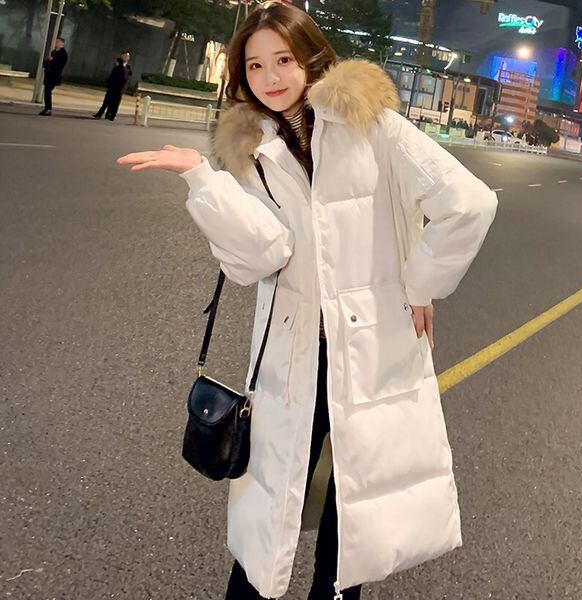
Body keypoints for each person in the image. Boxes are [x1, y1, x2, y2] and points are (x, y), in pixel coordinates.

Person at [117, 3, 497, 599]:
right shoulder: (253, 150)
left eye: (283, 60)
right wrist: (203, 180)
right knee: (269, 508)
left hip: (368, 349)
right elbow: (260, 257)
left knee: (354, 509)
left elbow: (469, 203)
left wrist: (419, 285)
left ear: (310, 58)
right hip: (291, 353)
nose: (270, 77)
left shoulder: (374, 126)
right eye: (255, 65)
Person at [93, 51, 132, 121]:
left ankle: (111, 115)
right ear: (122, 56)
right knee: (107, 100)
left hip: (120, 88)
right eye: (125, 56)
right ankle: (100, 114)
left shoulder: (127, 67)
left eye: (127, 56)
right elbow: (114, 75)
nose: (126, 57)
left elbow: (126, 77)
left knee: (116, 102)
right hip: (113, 86)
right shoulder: (118, 64)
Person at [39, 37, 68, 116]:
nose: (56, 43)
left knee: (48, 91)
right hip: (49, 74)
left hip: (54, 76)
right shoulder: (53, 52)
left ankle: (48, 109)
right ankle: (47, 108)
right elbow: (48, 62)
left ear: (62, 43)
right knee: (47, 91)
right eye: (56, 42)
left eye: (58, 42)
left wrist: (52, 60)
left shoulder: (63, 53)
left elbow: (60, 65)